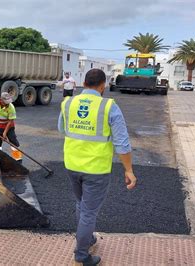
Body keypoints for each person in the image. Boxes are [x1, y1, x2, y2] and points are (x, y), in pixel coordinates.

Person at [57, 69, 137, 265]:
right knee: (89, 212)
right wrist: (128, 170)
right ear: (103, 86)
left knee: (81, 205)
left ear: (84, 83)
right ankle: (82, 254)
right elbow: (122, 142)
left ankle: (88, 237)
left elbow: (62, 128)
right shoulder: (109, 106)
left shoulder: (68, 102)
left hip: (72, 164)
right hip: (96, 169)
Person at [0, 92, 22, 161]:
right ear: (1, 100)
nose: (7, 104)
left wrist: (5, 133)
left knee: (13, 141)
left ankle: (18, 158)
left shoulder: (11, 107)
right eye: (6, 102)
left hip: (9, 127)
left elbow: (10, 121)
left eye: (8, 102)